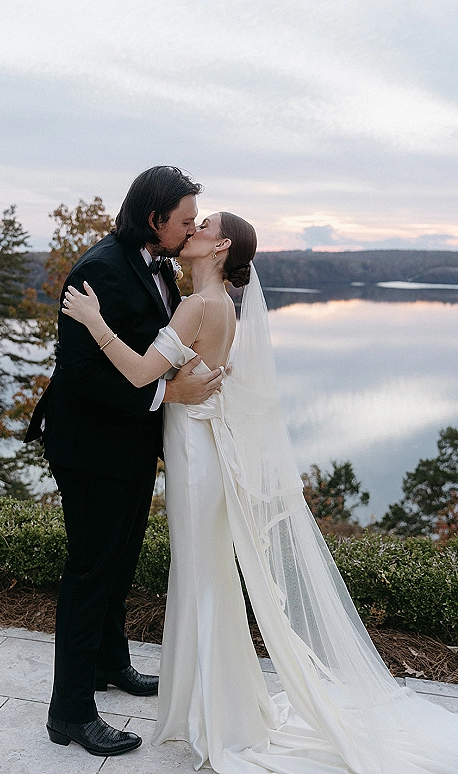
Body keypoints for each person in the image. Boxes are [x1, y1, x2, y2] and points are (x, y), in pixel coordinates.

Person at [63, 210, 458, 773]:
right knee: (205, 577)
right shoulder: (220, 304)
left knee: (200, 579)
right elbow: (196, 374)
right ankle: (215, 704)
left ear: (220, 245)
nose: (191, 230)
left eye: (202, 226)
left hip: (195, 456)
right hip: (202, 448)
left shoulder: (200, 304)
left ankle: (215, 716)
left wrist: (94, 321)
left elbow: (138, 374)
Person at [24, 166, 224, 757]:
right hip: (90, 447)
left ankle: (111, 664)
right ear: (154, 218)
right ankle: (71, 713)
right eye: (185, 220)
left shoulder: (159, 262)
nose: (190, 229)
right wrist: (166, 394)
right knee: (90, 570)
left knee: (119, 560)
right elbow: (81, 377)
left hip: (131, 442)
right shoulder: (99, 270)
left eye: (195, 222)